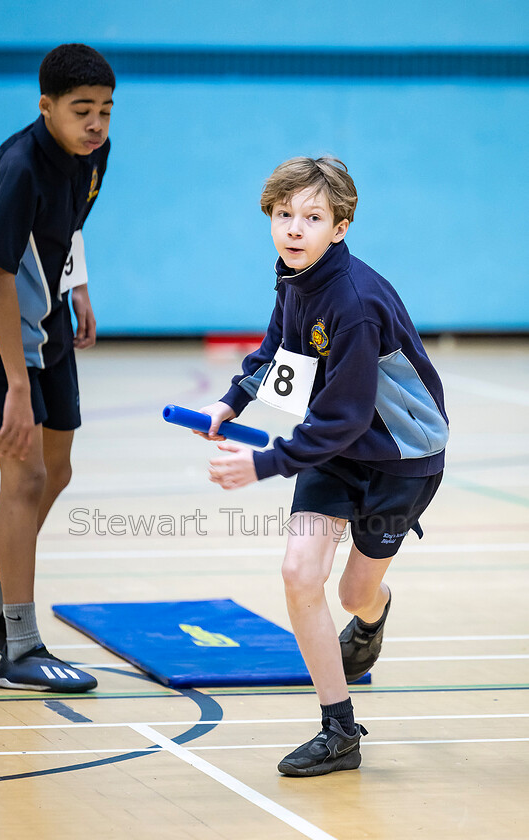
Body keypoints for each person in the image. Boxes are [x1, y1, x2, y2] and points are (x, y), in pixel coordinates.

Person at [197, 156, 448, 776]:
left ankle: (373, 615)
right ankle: (340, 730)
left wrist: (262, 465)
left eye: (312, 217)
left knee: (354, 591)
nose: (294, 228)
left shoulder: (355, 302)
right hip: (336, 458)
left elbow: (344, 416)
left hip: (398, 460)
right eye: (284, 215)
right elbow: (278, 350)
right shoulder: (294, 277)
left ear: (340, 226)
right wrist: (231, 401)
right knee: (299, 574)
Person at [0, 43, 115, 692]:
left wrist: (77, 286)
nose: (96, 123)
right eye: (81, 110)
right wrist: (16, 383)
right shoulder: (20, 165)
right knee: (24, 478)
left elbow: (68, 224)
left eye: (104, 110)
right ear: (45, 107)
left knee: (58, 469)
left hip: (46, 323)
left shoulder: (91, 152)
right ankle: (19, 648)